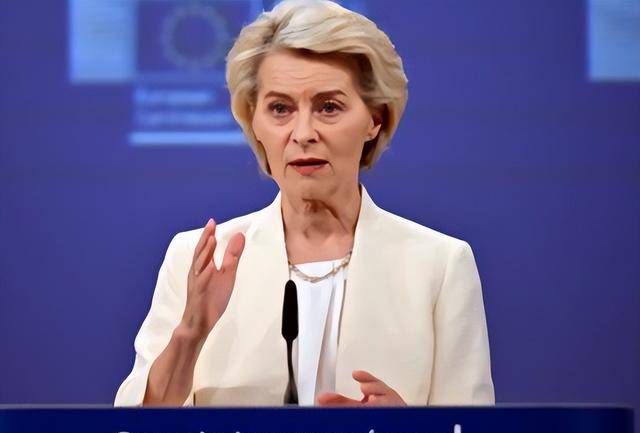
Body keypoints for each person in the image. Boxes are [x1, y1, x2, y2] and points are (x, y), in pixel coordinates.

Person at [114, 0, 494, 407]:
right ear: (254, 122)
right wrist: (190, 334)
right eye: (280, 108)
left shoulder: (439, 266)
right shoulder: (198, 259)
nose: (303, 133)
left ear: (375, 119)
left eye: (329, 107)